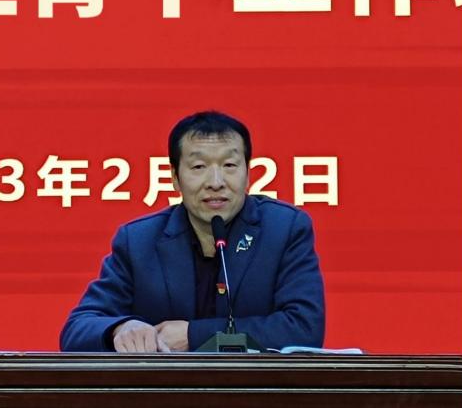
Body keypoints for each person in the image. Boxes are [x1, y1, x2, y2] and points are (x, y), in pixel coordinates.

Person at [60, 111, 325, 352]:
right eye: (199, 167)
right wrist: (120, 328)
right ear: (175, 177)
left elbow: (304, 328)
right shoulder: (139, 241)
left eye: (229, 165)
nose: (216, 182)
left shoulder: (284, 229)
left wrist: (193, 335)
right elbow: (77, 329)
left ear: (248, 174)